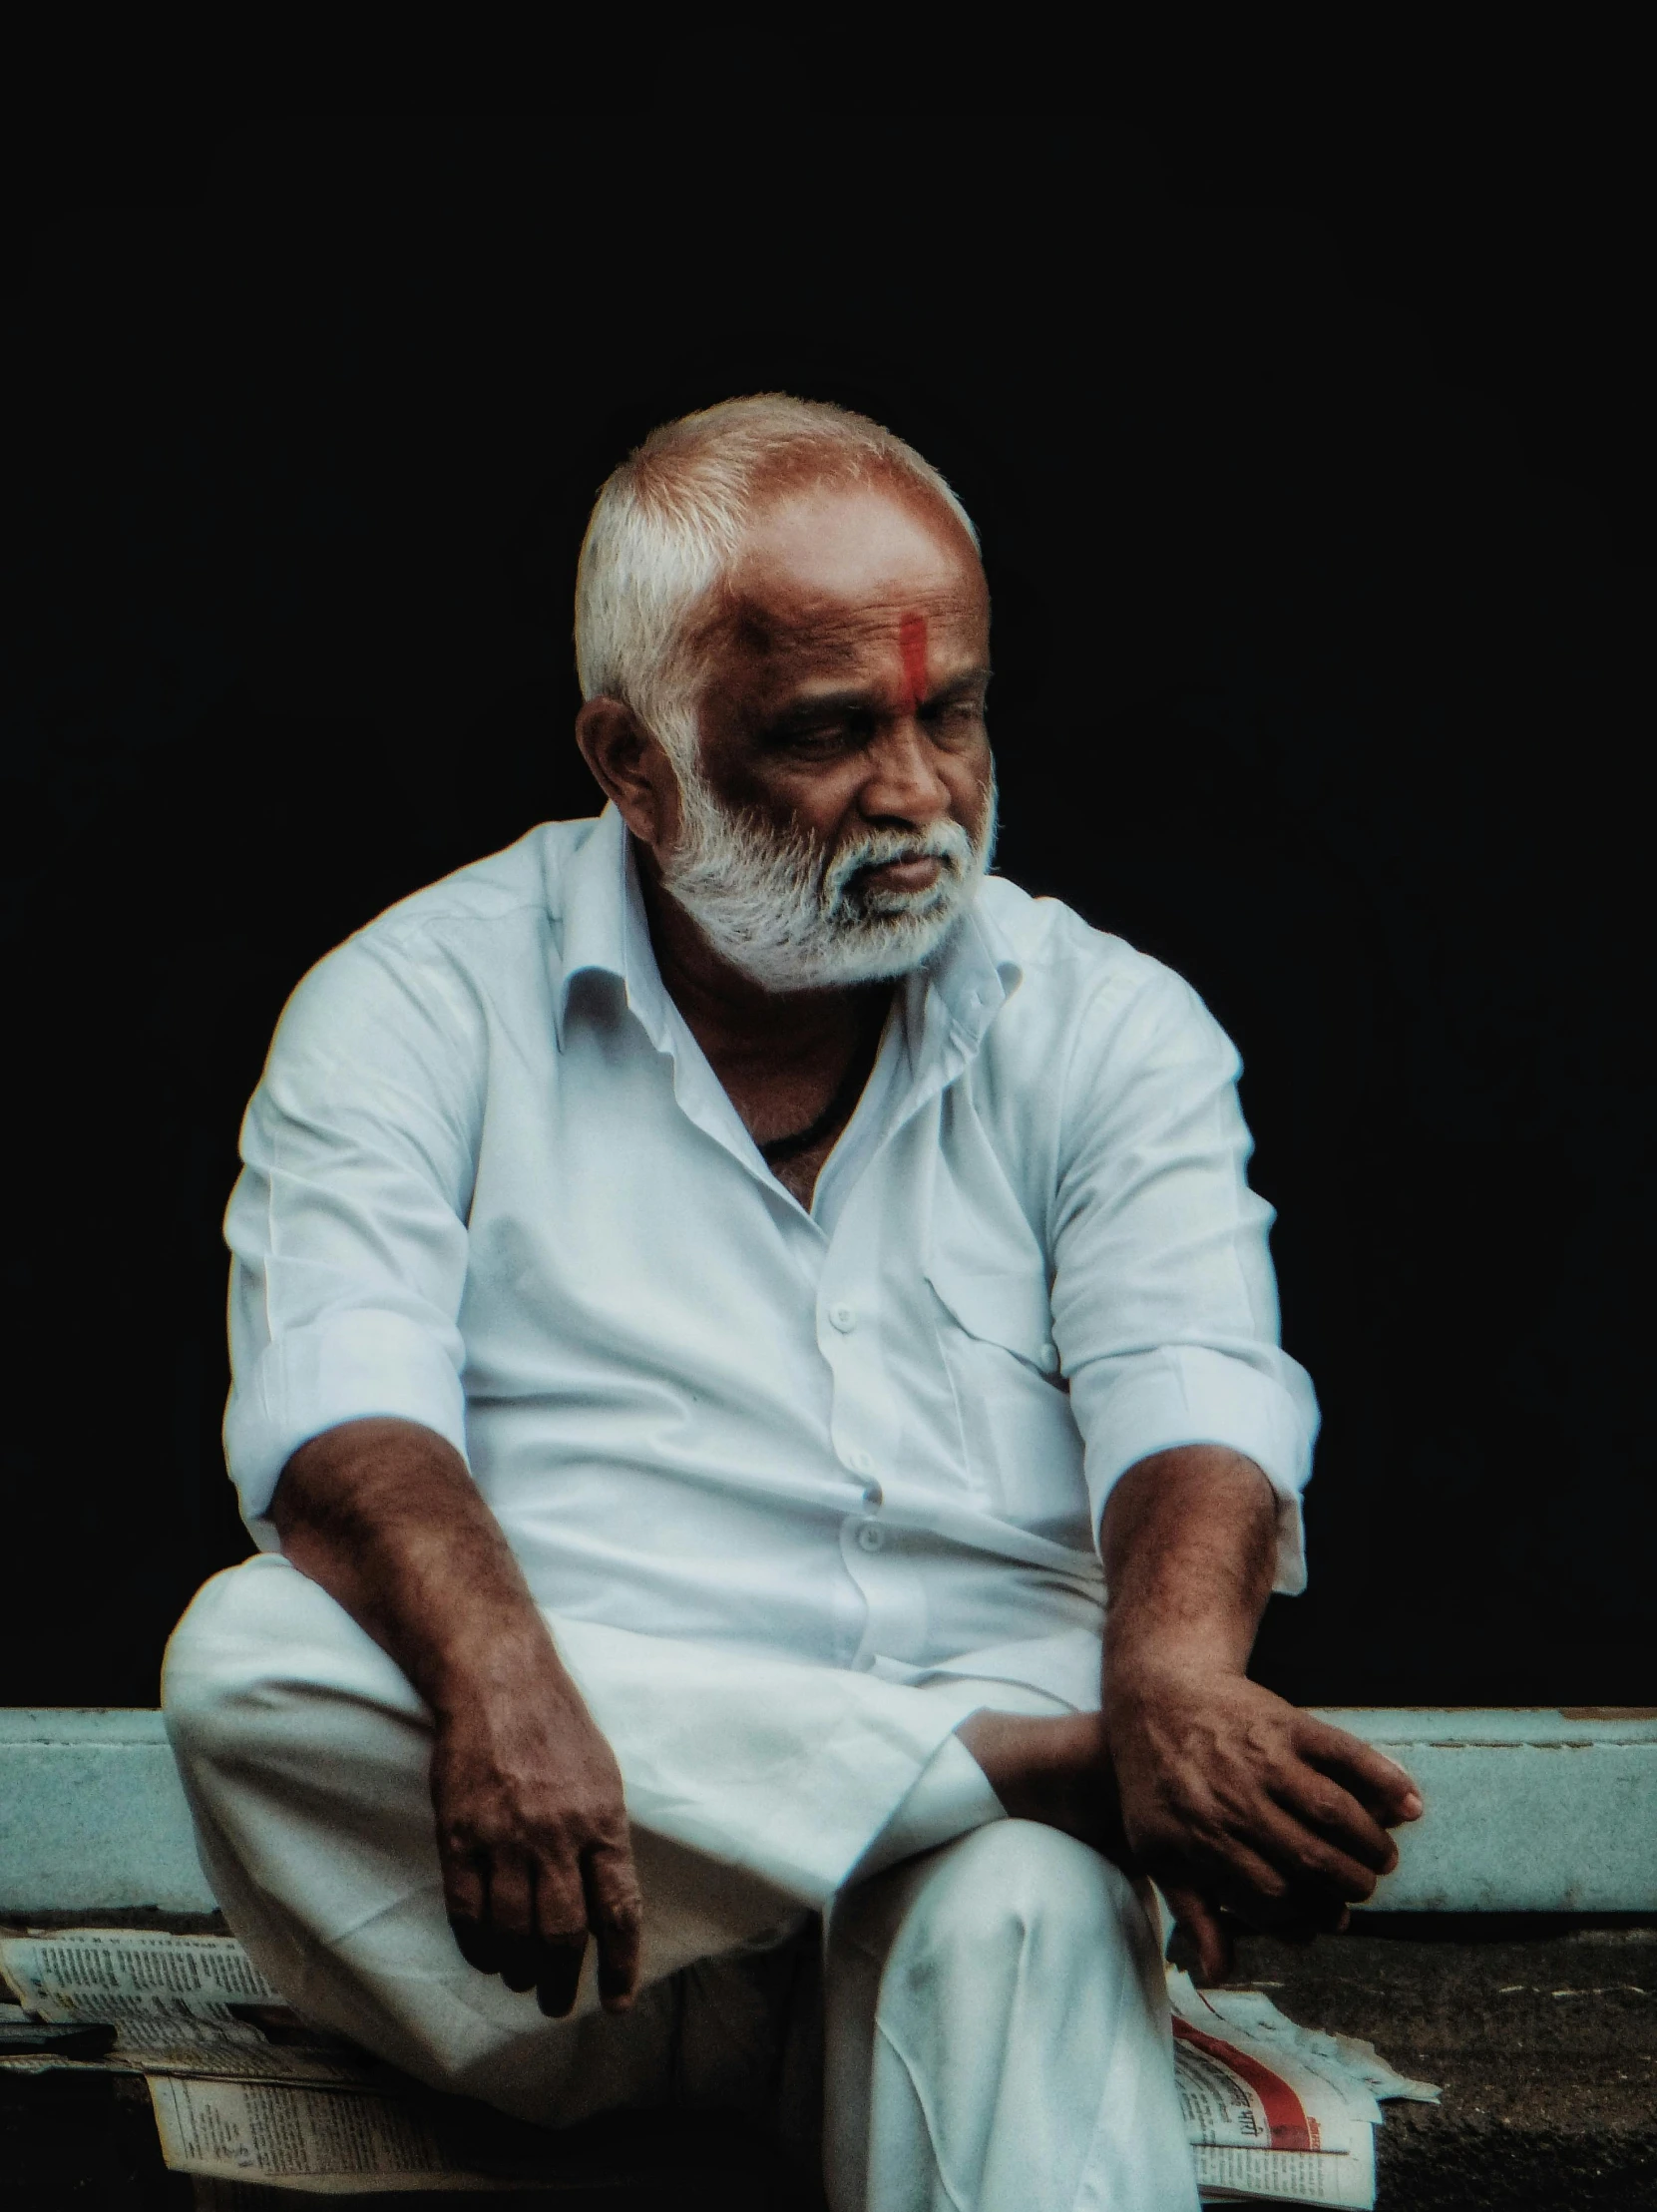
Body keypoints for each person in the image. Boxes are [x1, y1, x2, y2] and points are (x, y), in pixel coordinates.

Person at [163, 395, 1422, 2210]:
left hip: (953, 1911)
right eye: (834, 731)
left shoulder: (1109, 1024)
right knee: (249, 1661)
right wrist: (505, 1676)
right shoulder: (414, 1004)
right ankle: (1041, 1772)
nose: (919, 790)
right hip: (555, 1921)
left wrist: (1169, 1674)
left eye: (953, 709)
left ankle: (1030, 1797)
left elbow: (1195, 1388)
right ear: (634, 762)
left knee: (1022, 1910)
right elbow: (336, 1417)